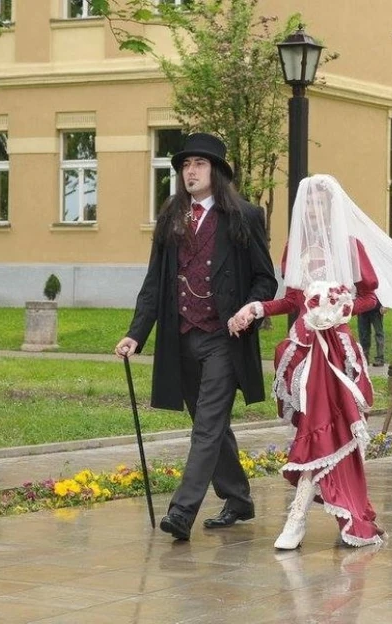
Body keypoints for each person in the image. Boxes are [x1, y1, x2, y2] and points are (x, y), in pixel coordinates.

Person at [114, 133, 277, 541]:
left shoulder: (244, 216)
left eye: (199, 164)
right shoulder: (171, 217)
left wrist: (248, 310)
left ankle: (182, 511)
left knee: (206, 426)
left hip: (225, 337)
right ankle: (238, 498)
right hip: (181, 338)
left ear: (216, 171)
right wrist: (136, 334)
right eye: (186, 165)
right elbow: (154, 282)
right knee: (212, 425)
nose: (191, 171)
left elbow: (265, 279)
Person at [231, 175, 384, 549]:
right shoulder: (296, 248)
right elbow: (292, 301)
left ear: (331, 208)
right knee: (318, 431)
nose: (313, 210)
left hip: (336, 356)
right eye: (309, 203)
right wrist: (256, 308)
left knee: (324, 430)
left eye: (320, 203)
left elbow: (370, 297)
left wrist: (341, 309)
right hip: (304, 353)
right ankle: (346, 512)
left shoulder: (350, 247)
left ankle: (297, 517)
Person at [357, 301, 386, 366]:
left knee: (379, 334)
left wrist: (384, 305)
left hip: (376, 308)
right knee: (364, 335)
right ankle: (365, 358)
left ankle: (380, 358)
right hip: (363, 309)